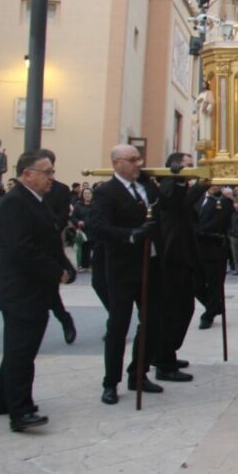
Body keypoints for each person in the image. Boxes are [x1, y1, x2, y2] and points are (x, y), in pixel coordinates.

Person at [0, 150, 74, 432]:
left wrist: (65, 265)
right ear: (28, 174)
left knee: (18, 350)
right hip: (21, 291)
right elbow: (21, 248)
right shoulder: (16, 203)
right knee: (21, 353)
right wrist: (54, 270)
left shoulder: (36, 201)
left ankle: (2, 401)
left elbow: (49, 239)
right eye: (46, 172)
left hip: (33, 290)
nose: (52, 177)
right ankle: (21, 411)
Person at [89, 144, 165, 405]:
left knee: (152, 322)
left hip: (151, 265)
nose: (138, 164)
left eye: (139, 159)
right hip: (123, 268)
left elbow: (162, 205)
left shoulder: (146, 187)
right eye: (132, 160)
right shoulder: (106, 192)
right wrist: (131, 235)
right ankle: (111, 382)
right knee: (119, 325)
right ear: (116, 163)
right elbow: (98, 227)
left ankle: (139, 372)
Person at [154, 152, 206, 380]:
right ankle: (164, 361)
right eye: (186, 166)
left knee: (184, 308)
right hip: (172, 258)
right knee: (175, 311)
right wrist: (202, 185)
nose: (190, 169)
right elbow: (177, 205)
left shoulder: (179, 186)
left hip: (183, 256)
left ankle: (167, 354)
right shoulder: (168, 185)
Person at [39, 150, 76, 345]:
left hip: (52, 238)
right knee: (46, 291)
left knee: (51, 287)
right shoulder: (20, 194)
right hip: (32, 244)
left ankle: (64, 319)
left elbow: (62, 215)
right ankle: (65, 318)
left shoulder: (61, 190)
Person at [194, 185, 233, 330]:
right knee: (196, 285)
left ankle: (208, 316)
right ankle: (215, 306)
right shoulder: (199, 199)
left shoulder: (225, 201)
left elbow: (220, 222)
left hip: (214, 248)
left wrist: (199, 231)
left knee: (214, 285)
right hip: (197, 249)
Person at [71, 186, 95, 271]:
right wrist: (78, 222)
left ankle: (92, 264)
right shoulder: (78, 205)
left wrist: (87, 222)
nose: (87, 195)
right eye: (85, 193)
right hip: (82, 230)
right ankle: (83, 265)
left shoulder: (95, 205)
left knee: (93, 248)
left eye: (89, 193)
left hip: (93, 230)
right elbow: (73, 217)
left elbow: (97, 217)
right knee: (83, 248)